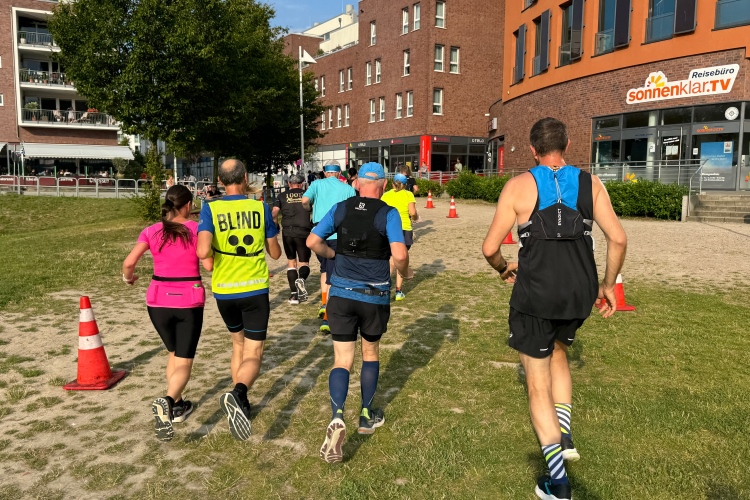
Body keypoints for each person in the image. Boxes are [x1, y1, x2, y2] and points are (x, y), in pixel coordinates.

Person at [481, 118, 627, 500]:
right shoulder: (591, 183)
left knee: (537, 383)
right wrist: (608, 285)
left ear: (532, 149)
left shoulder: (518, 186)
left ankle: (558, 483)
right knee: (559, 352)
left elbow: (490, 248)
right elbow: (618, 238)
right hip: (579, 293)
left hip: (537, 294)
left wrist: (503, 268)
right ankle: (565, 436)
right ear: (567, 144)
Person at [306, 162, 412, 464]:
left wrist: (332, 254)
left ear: (357, 184)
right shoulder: (388, 212)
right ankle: (366, 414)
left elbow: (312, 241)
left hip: (340, 294)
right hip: (373, 296)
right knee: (370, 354)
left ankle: (337, 415)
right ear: (383, 186)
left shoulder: (341, 208)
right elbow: (400, 253)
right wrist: (406, 272)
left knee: (342, 359)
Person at [196, 159, 282, 441]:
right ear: (245, 178)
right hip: (254, 289)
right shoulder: (260, 207)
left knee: (237, 345)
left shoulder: (210, 208)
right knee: (254, 352)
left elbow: (202, 251)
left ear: (220, 182)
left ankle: (240, 403)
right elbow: (275, 254)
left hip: (225, 289)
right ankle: (239, 392)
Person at [122, 185, 213, 441]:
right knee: (184, 360)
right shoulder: (197, 229)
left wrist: (128, 278)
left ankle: (178, 405)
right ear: (188, 205)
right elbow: (208, 265)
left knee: (173, 352)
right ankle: (168, 400)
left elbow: (129, 263)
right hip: (188, 300)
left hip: (158, 300)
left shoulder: (151, 230)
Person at [301, 161, 356, 333]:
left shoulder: (316, 184)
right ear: (339, 173)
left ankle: (324, 303)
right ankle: (327, 318)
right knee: (334, 274)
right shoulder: (347, 188)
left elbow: (304, 200)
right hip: (338, 234)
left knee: (324, 269)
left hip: (319, 234)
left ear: (325, 172)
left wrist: (309, 209)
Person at [272, 174, 313, 305]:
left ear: (289, 184)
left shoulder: (282, 195)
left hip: (287, 232)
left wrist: (275, 225)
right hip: (303, 231)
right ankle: (301, 280)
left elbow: (274, 212)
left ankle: (294, 295)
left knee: (291, 263)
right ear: (302, 184)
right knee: (304, 263)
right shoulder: (307, 194)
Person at [381, 173, 418, 301]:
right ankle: (398, 291)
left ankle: (384, 287)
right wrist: (415, 218)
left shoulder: (386, 195)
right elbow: (412, 212)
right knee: (400, 260)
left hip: (389, 228)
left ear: (392, 184)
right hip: (404, 229)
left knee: (391, 258)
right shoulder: (408, 195)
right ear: (406, 185)